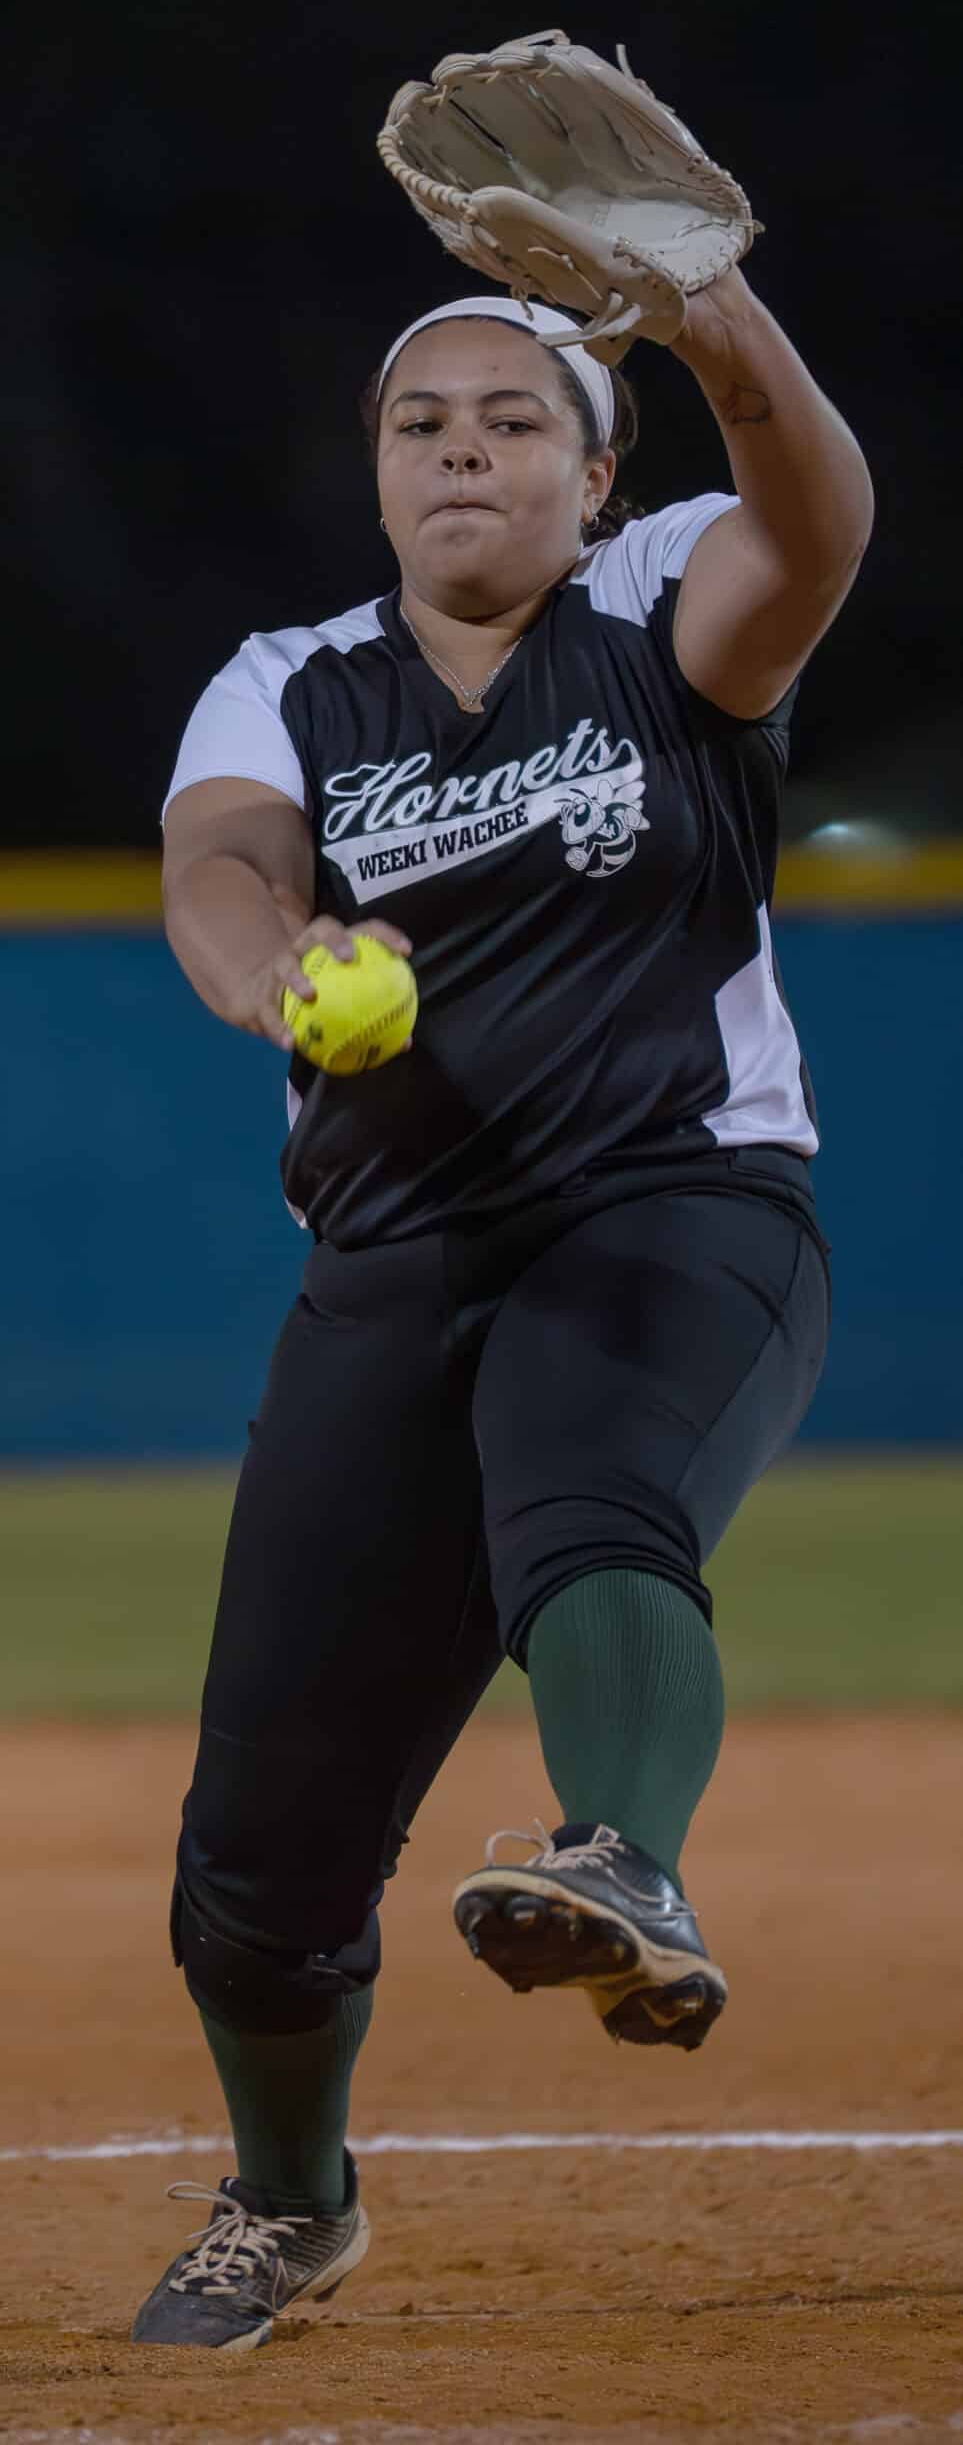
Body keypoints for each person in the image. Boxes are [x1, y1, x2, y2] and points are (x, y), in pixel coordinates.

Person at [133, 275, 873, 2351]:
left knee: (585, 1484)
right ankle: (289, 2198)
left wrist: (712, 317)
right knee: (257, 1860)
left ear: (594, 467)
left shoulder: (656, 605)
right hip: (388, 1261)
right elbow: (214, 862)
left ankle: (622, 1854)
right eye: (421, 423)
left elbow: (811, 526)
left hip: (674, 1203)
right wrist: (271, 957)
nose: (463, 447)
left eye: (515, 420)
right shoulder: (290, 677)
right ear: (376, 473)